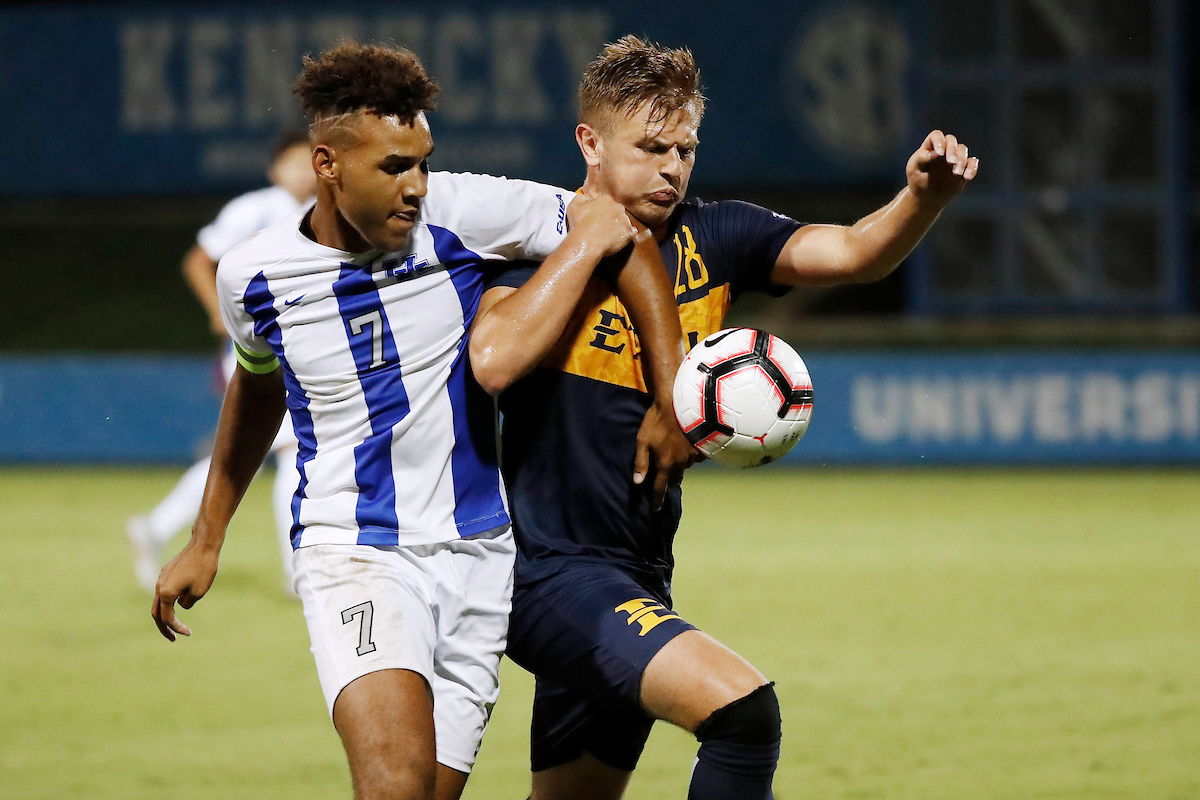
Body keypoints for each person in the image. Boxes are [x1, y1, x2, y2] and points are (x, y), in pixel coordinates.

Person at [150, 41, 687, 800]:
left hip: (479, 556)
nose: (416, 187)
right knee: (396, 785)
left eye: (424, 164)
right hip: (355, 549)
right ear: (328, 165)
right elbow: (258, 384)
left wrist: (671, 395)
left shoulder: (463, 212)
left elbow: (615, 230)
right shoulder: (254, 275)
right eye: (394, 167)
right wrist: (208, 538)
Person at [473, 35, 980, 800]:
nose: (672, 168)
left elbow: (853, 252)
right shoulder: (534, 245)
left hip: (639, 574)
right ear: (590, 144)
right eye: (650, 148)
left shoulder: (717, 236)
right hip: (548, 572)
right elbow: (494, 352)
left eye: (685, 150)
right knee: (743, 713)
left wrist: (922, 200)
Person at [126, 131, 316, 595]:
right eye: (292, 163)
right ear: (274, 170)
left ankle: (156, 525)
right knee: (288, 450)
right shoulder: (253, 208)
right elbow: (198, 260)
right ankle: (297, 571)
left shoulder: (327, 211)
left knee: (242, 451)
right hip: (256, 349)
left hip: (302, 347)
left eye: (307, 162)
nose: (301, 172)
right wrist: (219, 311)